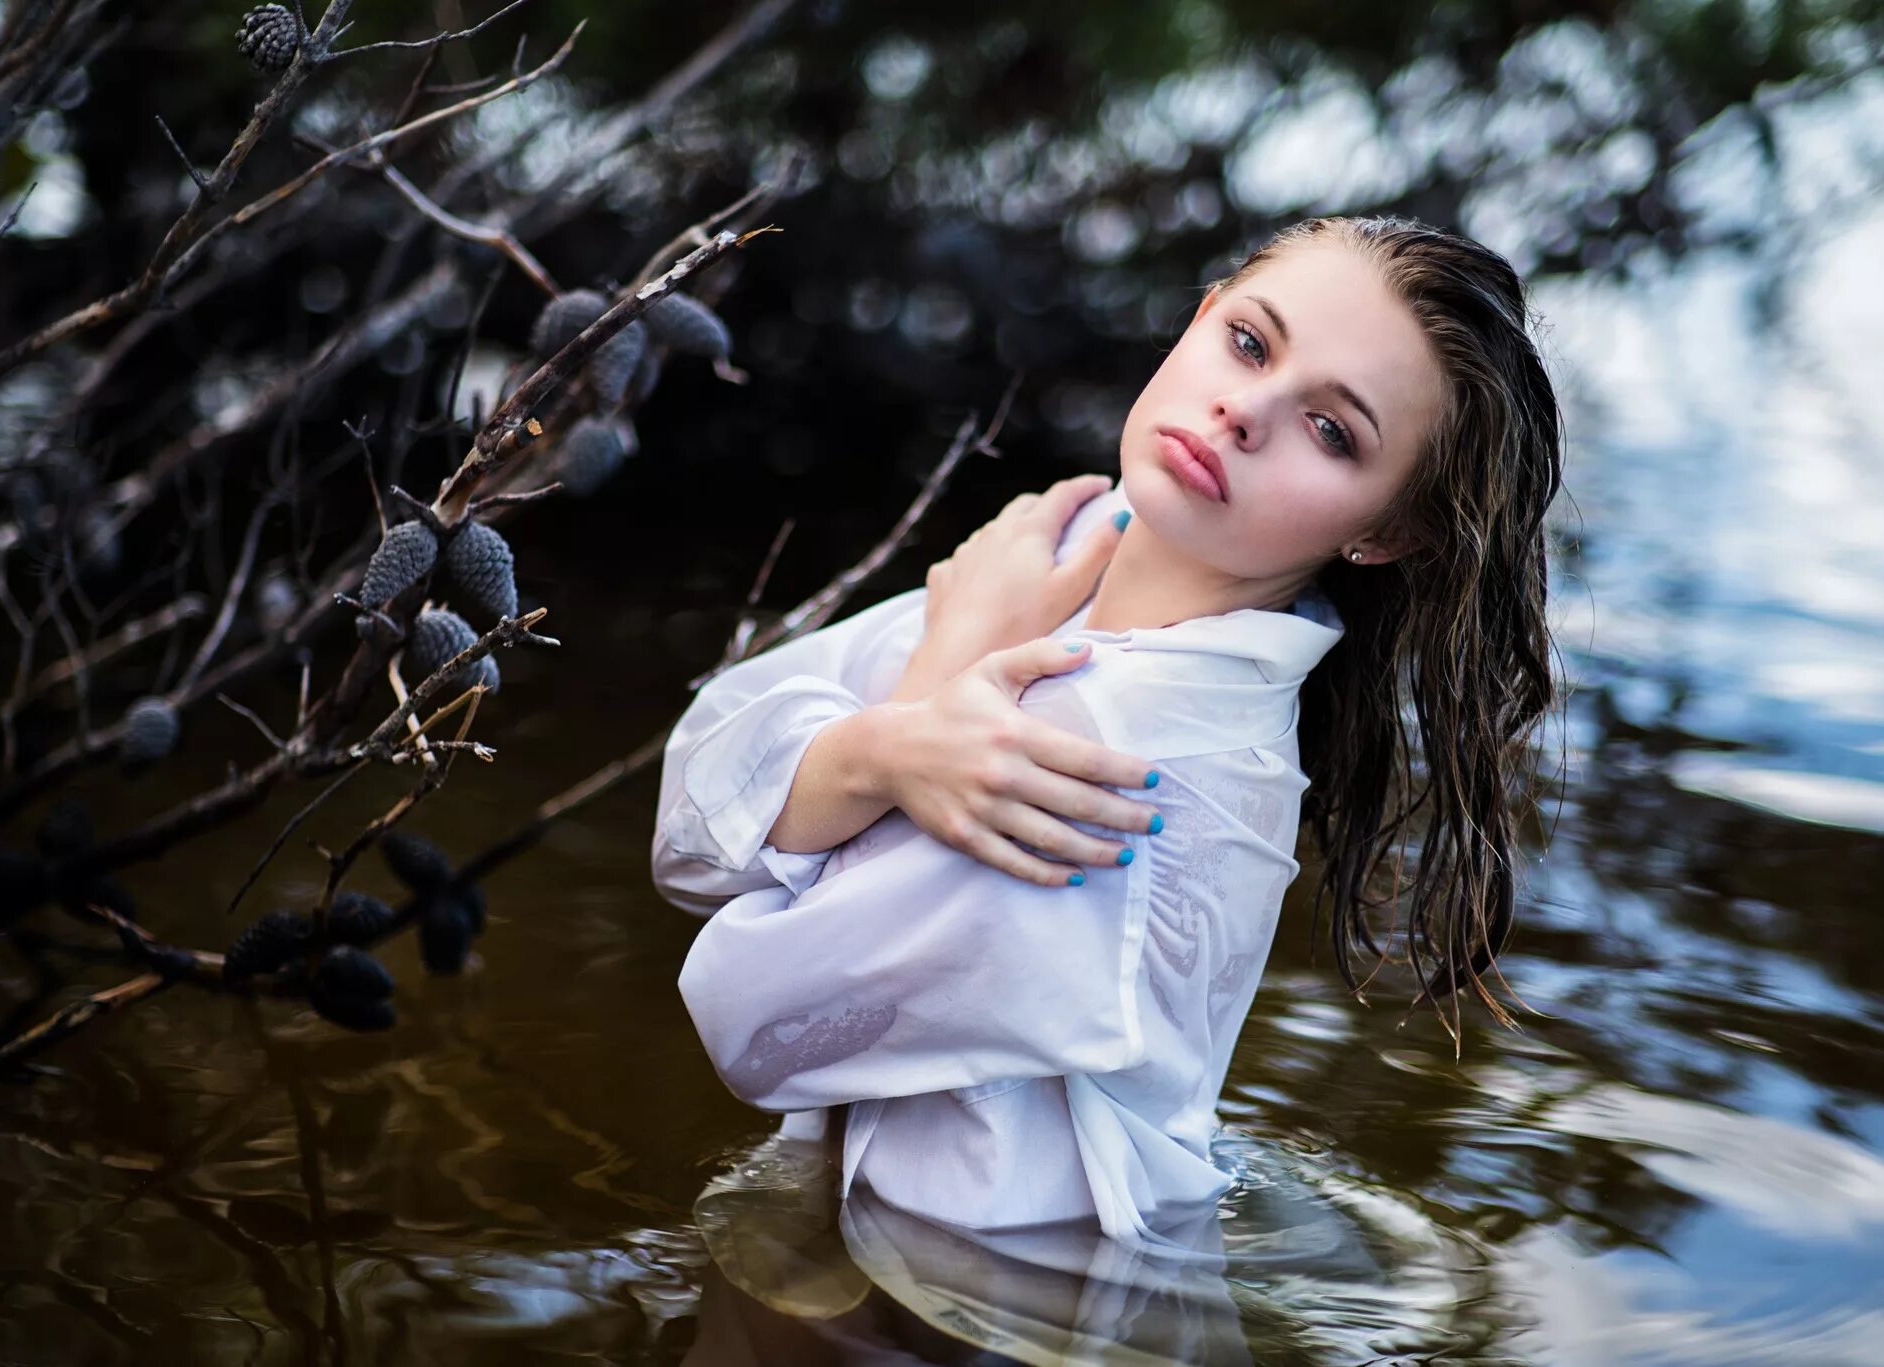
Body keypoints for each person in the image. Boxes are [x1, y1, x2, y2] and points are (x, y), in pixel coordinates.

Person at [653, 215, 1562, 1245]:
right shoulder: (1056, 559)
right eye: (1251, 342)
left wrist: (907, 704)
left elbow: (754, 1021)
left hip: (993, 1299)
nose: (1243, 411)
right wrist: (893, 742)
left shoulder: (1141, 768)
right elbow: (687, 817)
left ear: (1384, 531)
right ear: (1200, 312)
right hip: (867, 1230)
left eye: (1330, 430)